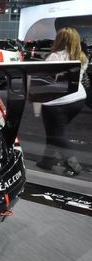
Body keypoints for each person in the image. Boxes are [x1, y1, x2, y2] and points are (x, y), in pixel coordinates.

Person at [36, 27, 89, 176]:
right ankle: (47, 161)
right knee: (55, 132)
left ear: (59, 39)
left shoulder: (54, 57)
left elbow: (46, 81)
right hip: (77, 99)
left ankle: (74, 165)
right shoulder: (82, 57)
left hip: (56, 101)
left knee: (57, 135)